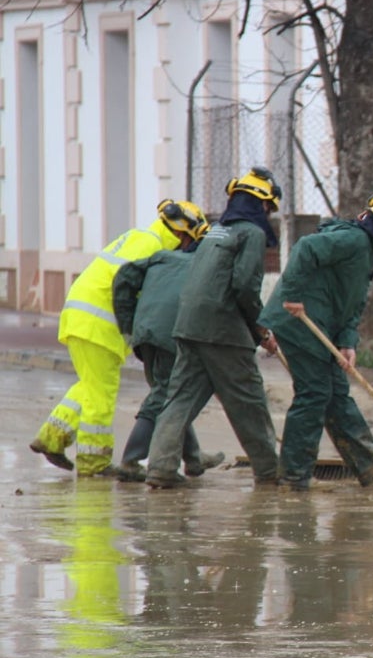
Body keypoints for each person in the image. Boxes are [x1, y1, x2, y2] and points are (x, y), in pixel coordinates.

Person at [30, 199, 208, 477]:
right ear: (181, 232)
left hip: (83, 318)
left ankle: (52, 438)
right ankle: (94, 462)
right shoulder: (151, 246)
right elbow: (126, 285)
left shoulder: (141, 236)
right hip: (98, 325)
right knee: (102, 394)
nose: (185, 249)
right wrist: (132, 329)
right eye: (188, 241)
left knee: (89, 386)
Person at [259, 193, 373, 489]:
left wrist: (348, 342)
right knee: (315, 393)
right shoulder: (354, 241)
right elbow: (305, 248)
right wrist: (292, 295)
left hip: (322, 327)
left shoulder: (367, 255)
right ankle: (294, 475)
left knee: (336, 393)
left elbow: (352, 303)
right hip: (299, 322)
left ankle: (368, 464)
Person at [144, 167, 284, 489]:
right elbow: (245, 286)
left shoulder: (217, 231)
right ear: (260, 203)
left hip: (189, 326)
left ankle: (161, 468)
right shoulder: (251, 233)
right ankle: (270, 471)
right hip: (223, 330)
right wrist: (260, 329)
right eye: (268, 207)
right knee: (248, 400)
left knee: (179, 399)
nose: (268, 214)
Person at [111, 221, 226, 483]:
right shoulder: (210, 268)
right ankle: (131, 459)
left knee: (173, 394)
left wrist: (128, 325)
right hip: (172, 334)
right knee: (165, 393)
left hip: (146, 332)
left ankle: (194, 457)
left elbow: (124, 277)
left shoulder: (164, 257)